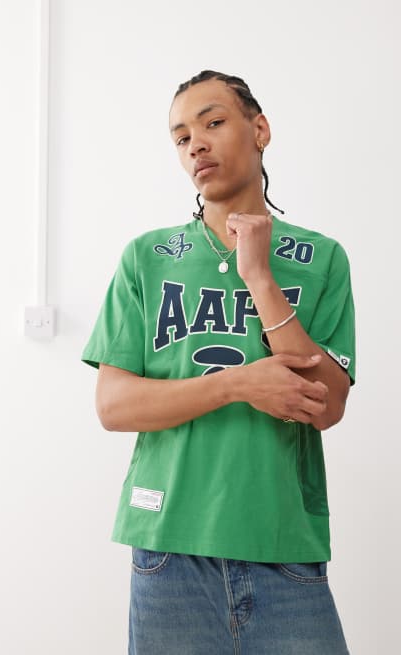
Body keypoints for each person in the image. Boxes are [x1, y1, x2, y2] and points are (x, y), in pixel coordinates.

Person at [81, 70, 356, 655]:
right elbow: (114, 406)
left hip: (284, 542)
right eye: (181, 137)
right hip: (169, 548)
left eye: (213, 122)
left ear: (260, 130)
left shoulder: (321, 258)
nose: (196, 145)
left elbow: (327, 405)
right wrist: (239, 385)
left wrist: (259, 275)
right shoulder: (148, 257)